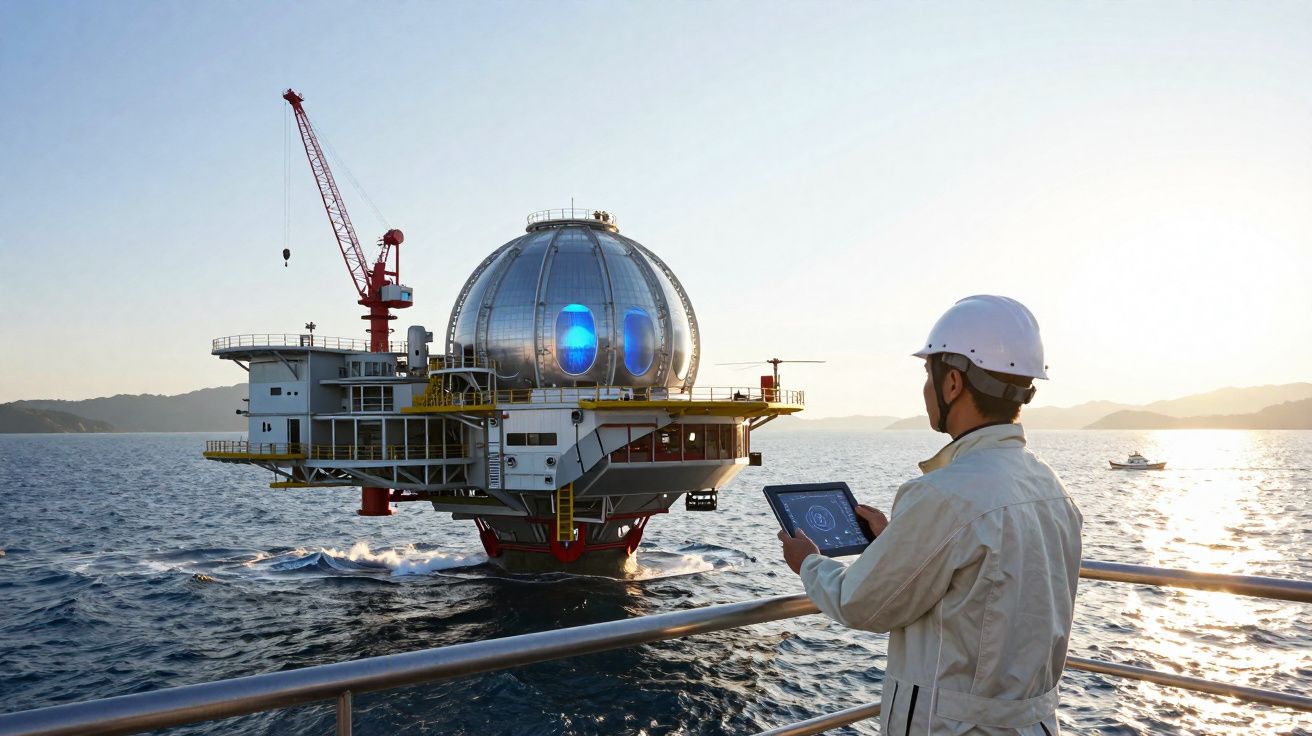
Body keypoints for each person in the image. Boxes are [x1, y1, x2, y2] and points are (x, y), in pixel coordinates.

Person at [778, 295, 1083, 735]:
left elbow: (861, 603)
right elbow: (981, 585)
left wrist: (807, 561)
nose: (926, 389)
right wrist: (893, 539)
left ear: (953, 383)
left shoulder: (943, 494)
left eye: (929, 374)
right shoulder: (1052, 488)